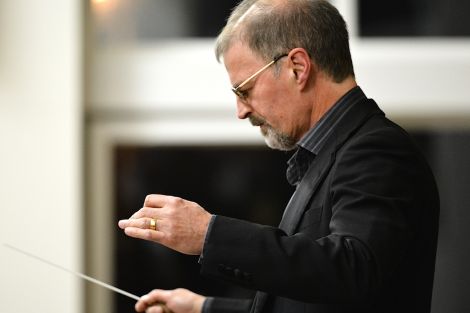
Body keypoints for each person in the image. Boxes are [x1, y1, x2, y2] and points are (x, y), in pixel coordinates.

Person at [118, 0, 440, 312]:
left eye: (244, 90)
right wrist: (203, 308)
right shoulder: (338, 153)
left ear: (297, 68)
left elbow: (351, 270)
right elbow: (308, 302)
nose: (241, 111)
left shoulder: (375, 150)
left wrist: (208, 234)